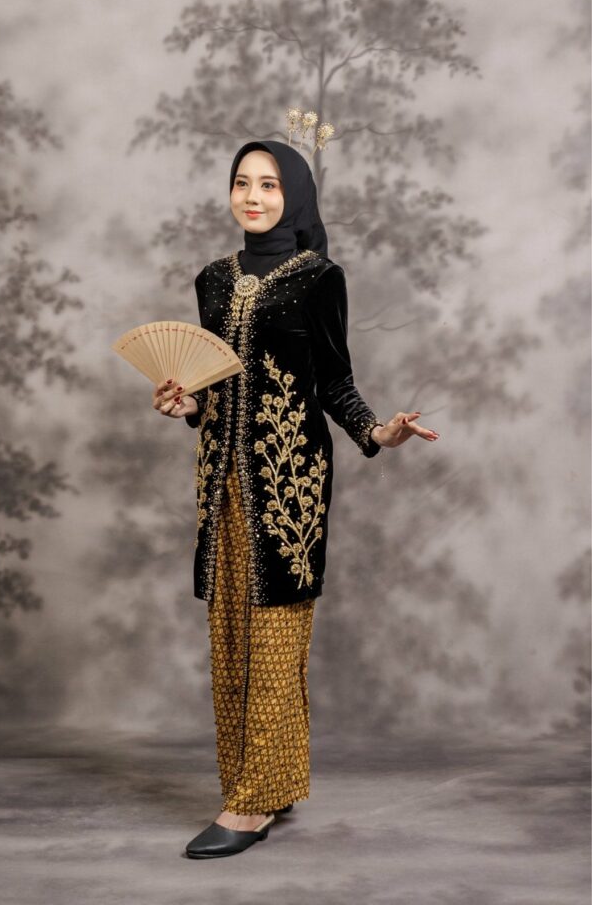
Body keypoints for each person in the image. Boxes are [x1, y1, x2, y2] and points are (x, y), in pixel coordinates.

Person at [152, 136, 440, 859]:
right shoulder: (211, 280)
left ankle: (248, 806)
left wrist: (377, 431)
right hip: (219, 482)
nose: (252, 197)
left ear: (296, 196)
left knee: (276, 634)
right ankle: (267, 782)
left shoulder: (318, 279)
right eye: (241, 183)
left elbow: (333, 380)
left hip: (288, 485)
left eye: (269, 185)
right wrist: (185, 404)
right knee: (229, 634)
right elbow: (211, 386)